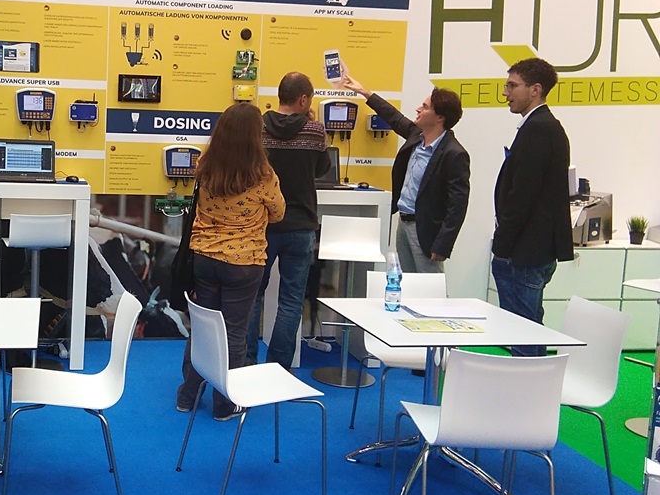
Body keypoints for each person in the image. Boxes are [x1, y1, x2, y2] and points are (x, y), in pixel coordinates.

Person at [176, 102, 285, 420]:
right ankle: (225, 403)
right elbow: (278, 213)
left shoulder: (205, 165)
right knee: (234, 334)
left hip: (205, 258)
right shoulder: (264, 175)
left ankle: (187, 395)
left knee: (203, 329)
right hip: (244, 263)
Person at [340, 75, 470, 273]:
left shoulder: (454, 154)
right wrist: (365, 92)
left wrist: (443, 244)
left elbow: (457, 205)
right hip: (404, 223)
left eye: (425, 107)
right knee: (407, 283)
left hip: (426, 231)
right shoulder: (416, 136)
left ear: (440, 118)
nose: (418, 109)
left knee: (428, 287)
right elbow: (394, 117)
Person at [245, 71, 327, 370]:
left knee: (253, 295)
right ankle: (278, 368)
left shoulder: (257, 128)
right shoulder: (315, 131)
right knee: (291, 300)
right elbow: (321, 169)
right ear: (303, 99)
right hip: (301, 226)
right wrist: (313, 125)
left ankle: (246, 362)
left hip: (262, 225)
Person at [492, 57, 573, 356]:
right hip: (530, 248)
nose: (506, 93)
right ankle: (531, 379)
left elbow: (522, 195)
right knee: (527, 325)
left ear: (535, 89)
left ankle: (528, 381)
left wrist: (502, 245)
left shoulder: (539, 129)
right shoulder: (540, 126)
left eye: (512, 86)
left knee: (522, 328)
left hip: (525, 250)